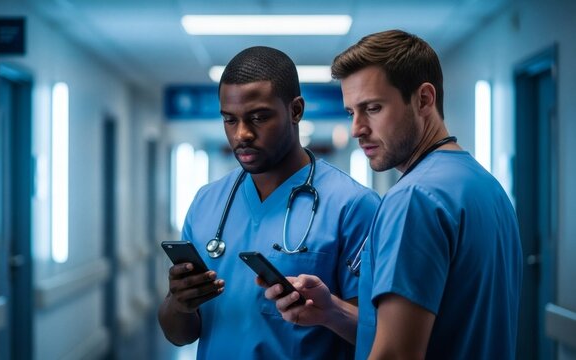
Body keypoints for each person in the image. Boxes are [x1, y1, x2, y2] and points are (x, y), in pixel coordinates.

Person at [262, 29, 523, 359]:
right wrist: (332, 312)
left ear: (423, 99)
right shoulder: (486, 187)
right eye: (350, 112)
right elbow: (428, 330)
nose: (357, 128)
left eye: (372, 108)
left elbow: (396, 354)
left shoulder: (414, 199)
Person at [157, 46, 380, 359]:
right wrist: (179, 304)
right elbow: (180, 335)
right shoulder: (207, 203)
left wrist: (331, 312)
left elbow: (381, 336)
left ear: (296, 111)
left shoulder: (353, 206)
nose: (242, 134)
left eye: (259, 117)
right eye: (230, 120)